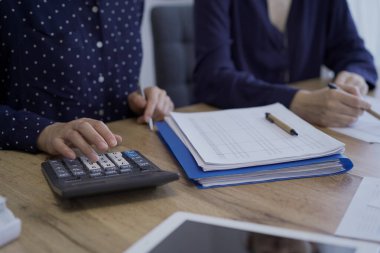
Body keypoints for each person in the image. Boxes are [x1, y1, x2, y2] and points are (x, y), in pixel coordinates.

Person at [0, 1, 174, 162]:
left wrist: (142, 102)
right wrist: (42, 132)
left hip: (126, 157)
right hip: (35, 164)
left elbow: (117, 80)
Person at [194, 0, 378, 128]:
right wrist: (295, 101)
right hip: (232, 125)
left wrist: (355, 75)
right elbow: (212, 78)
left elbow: (354, 52)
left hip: (308, 130)